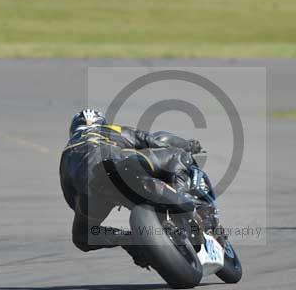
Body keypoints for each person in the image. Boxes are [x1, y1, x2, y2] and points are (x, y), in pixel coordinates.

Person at [59, 109, 204, 267]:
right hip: (122, 164)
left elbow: (71, 198)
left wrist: (87, 209)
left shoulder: (67, 153)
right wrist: (189, 145)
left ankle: (130, 241)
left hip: (92, 191)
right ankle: (185, 200)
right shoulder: (108, 130)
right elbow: (150, 139)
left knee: (83, 237)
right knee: (179, 156)